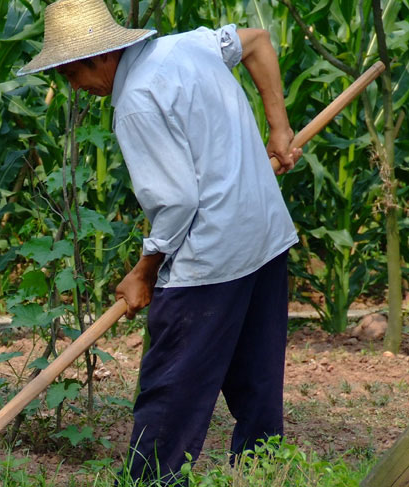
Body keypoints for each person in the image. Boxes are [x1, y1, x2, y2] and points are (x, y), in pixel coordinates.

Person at [17, 0, 302, 483]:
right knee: (257, 387)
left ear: (99, 59)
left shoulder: (135, 103)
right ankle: (262, 476)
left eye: (71, 76)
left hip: (210, 258)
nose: (76, 89)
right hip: (264, 237)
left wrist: (143, 272)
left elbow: (176, 202)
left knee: (171, 392)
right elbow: (256, 41)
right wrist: (279, 127)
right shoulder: (187, 45)